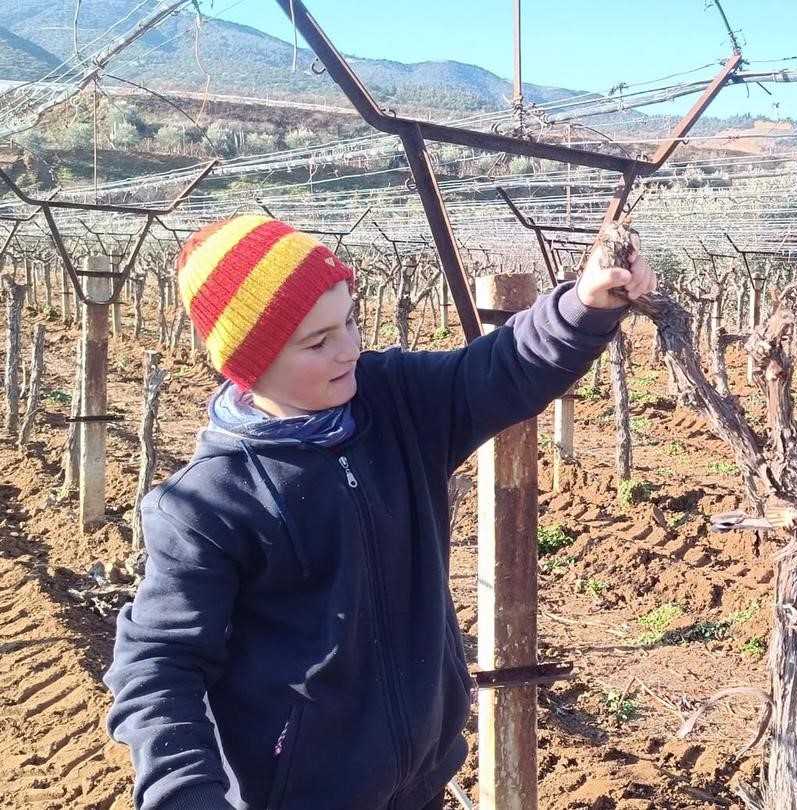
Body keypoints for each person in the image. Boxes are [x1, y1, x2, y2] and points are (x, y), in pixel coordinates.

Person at [104, 215, 655, 808]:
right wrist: (183, 793)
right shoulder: (208, 502)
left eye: (350, 320)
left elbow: (501, 369)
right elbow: (159, 665)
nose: (349, 348)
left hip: (421, 782)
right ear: (248, 363)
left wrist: (585, 304)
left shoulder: (392, 399)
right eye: (318, 341)